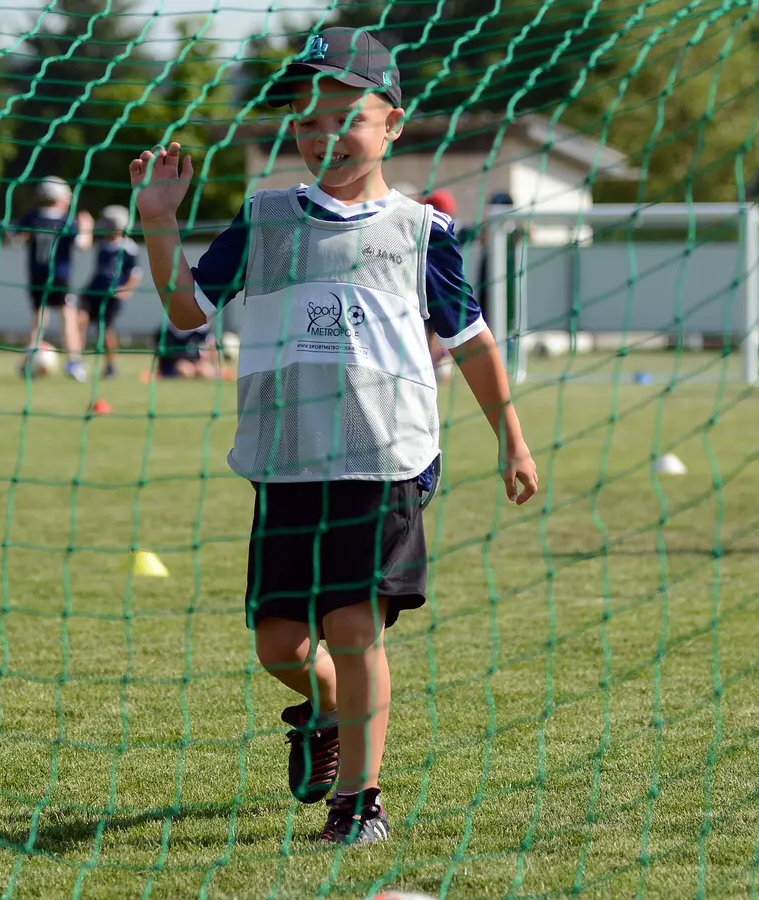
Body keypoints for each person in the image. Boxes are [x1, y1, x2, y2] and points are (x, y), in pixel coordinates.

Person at [128, 27, 538, 846]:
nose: (324, 138)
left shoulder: (423, 232)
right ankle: (321, 710)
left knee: (354, 628)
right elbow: (185, 313)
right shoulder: (266, 217)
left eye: (346, 118)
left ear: (392, 122)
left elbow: (473, 341)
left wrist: (512, 439)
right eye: (306, 123)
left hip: (383, 457)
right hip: (286, 464)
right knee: (278, 642)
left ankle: (361, 802)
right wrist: (158, 224)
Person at [12, 176, 91, 382]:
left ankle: (27, 363)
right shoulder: (66, 219)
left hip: (36, 275)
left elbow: (13, 238)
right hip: (59, 276)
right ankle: (74, 362)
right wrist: (87, 228)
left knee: (38, 321)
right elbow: (82, 244)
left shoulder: (32, 216)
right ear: (59, 197)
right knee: (67, 318)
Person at [79, 205, 140, 379]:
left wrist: (126, 290)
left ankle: (111, 365)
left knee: (105, 329)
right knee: (80, 321)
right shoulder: (103, 245)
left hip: (111, 295)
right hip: (94, 292)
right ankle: (77, 361)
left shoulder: (128, 248)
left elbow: (135, 273)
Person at [420, 189, 459, 380]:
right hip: (433, 292)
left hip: (434, 292)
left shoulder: (436, 229)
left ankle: (438, 361)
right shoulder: (437, 229)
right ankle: (438, 362)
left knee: (436, 331)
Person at [150, 319, 221, 380]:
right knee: (185, 370)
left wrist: (213, 366)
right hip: (174, 363)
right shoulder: (167, 330)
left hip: (195, 362)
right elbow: (161, 353)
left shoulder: (201, 329)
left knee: (205, 371)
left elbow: (211, 345)